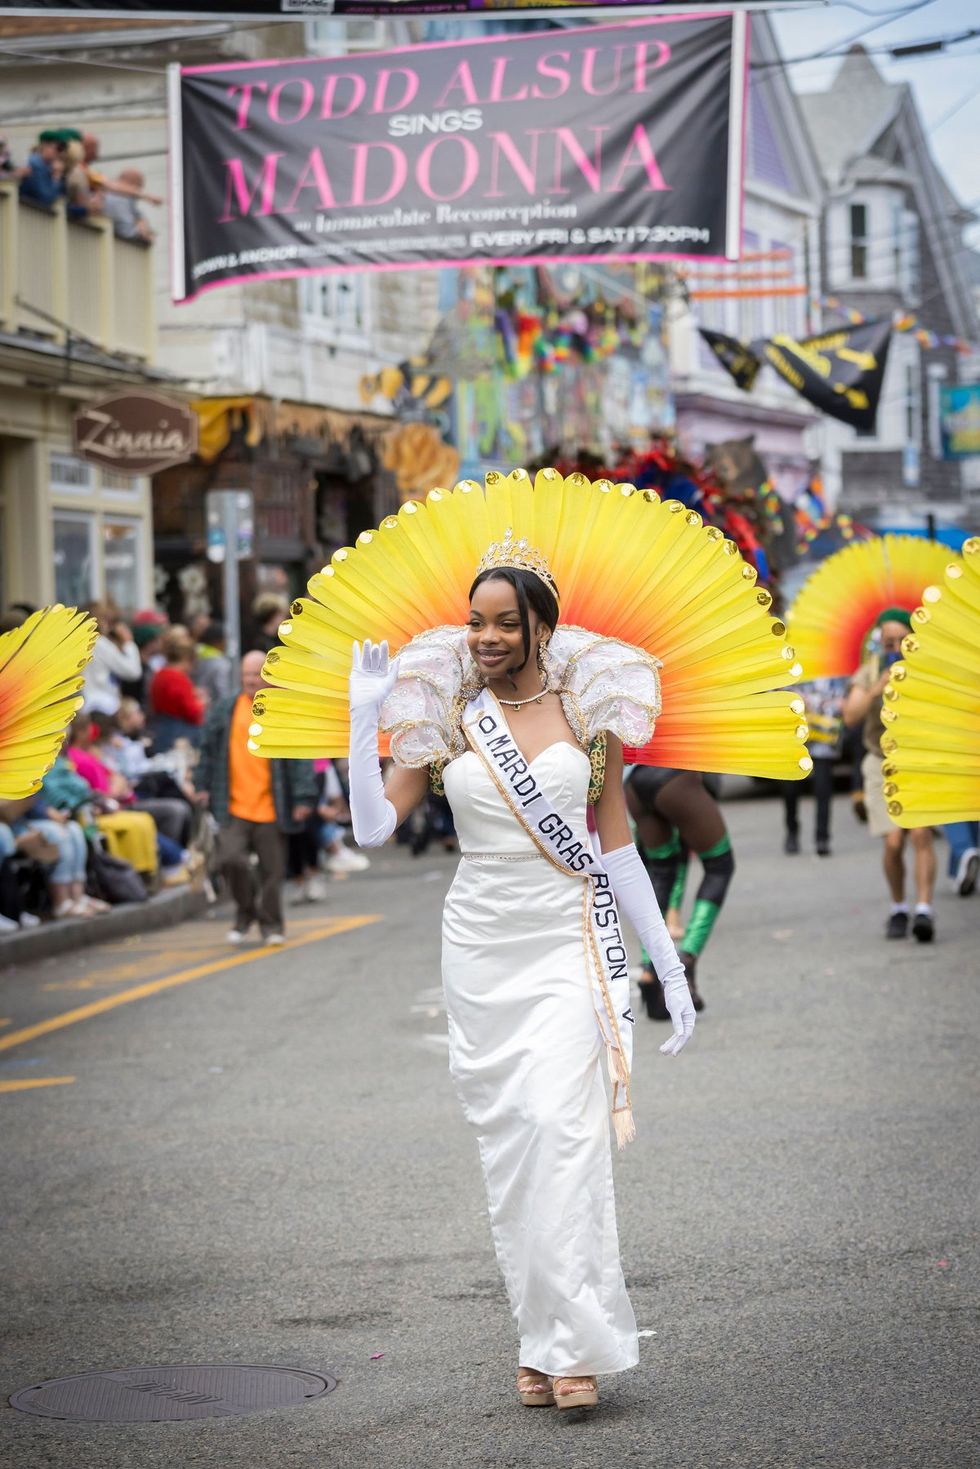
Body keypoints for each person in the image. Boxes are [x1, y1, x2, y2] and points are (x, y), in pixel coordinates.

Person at [345, 549, 696, 1414]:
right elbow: (370, 828)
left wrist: (669, 967)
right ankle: (541, 1340)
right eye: (477, 621)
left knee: (563, 1133)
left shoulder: (592, 709)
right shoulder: (446, 716)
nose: (488, 637)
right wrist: (364, 720)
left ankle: (570, 1349)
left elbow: (615, 846)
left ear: (543, 625)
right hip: (482, 947)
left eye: (507, 621)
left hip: (569, 940)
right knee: (516, 1153)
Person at [196, 651, 317, 945]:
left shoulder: (282, 710)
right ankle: (246, 911)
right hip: (233, 804)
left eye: (257, 674)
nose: (251, 680)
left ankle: (272, 925)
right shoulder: (225, 709)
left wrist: (303, 797)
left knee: (273, 872)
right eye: (247, 675)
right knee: (230, 859)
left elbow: (299, 756)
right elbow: (208, 751)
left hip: (272, 806)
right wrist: (201, 784)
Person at [843, 609, 936, 941]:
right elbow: (850, 718)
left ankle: (924, 909)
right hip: (880, 762)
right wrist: (877, 689)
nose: (894, 647)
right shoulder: (868, 673)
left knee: (921, 835)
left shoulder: (923, 670)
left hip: (915, 761)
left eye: (901, 640)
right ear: (878, 644)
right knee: (894, 843)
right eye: (888, 642)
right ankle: (899, 907)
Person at [624, 768, 734, 1016]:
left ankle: (650, 968)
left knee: (662, 870)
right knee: (719, 865)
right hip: (676, 779)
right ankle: (688, 956)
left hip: (634, 783)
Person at [781, 677, 848, 857]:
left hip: (824, 735)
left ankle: (822, 837)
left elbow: (842, 702)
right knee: (791, 788)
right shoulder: (795, 661)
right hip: (796, 733)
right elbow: (783, 694)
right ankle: (792, 832)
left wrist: (812, 702)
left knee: (823, 787)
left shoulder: (834, 666)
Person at [148, 627, 206, 751]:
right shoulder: (179, 679)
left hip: (161, 730)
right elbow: (192, 712)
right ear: (186, 659)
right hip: (180, 734)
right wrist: (201, 702)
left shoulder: (159, 675)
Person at [81, 606, 142, 717]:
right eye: (105, 619)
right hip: (104, 705)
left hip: (89, 703)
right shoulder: (100, 643)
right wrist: (129, 642)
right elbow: (133, 672)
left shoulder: (82, 642)